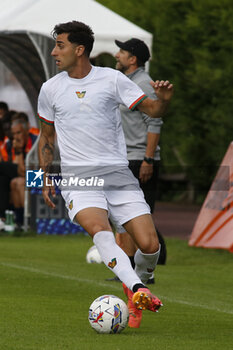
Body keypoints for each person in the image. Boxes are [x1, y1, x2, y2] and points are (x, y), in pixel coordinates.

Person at [38, 21, 173, 325]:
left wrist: (163, 101)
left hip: (117, 176)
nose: (54, 51)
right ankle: (138, 289)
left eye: (60, 45)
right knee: (99, 229)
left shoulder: (112, 80)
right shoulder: (51, 88)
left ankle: (138, 281)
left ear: (79, 49)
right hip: (79, 178)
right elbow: (47, 137)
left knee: (151, 246)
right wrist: (46, 174)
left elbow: (152, 110)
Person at [110, 38, 167, 327]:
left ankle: (139, 288)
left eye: (122, 51)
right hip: (124, 159)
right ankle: (133, 284)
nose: (117, 54)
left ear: (133, 59)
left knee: (134, 224)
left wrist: (147, 159)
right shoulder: (123, 80)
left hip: (138, 159)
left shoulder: (142, 83)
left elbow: (155, 123)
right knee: (122, 225)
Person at [0, 117, 38, 227]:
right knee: (10, 181)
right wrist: (18, 151)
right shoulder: (11, 144)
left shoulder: (36, 142)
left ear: (27, 131)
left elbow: (26, 173)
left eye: (19, 133)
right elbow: (17, 169)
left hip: (42, 177)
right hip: (26, 175)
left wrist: (19, 151)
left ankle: (29, 223)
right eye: (14, 134)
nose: (16, 137)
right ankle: (18, 223)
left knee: (19, 181)